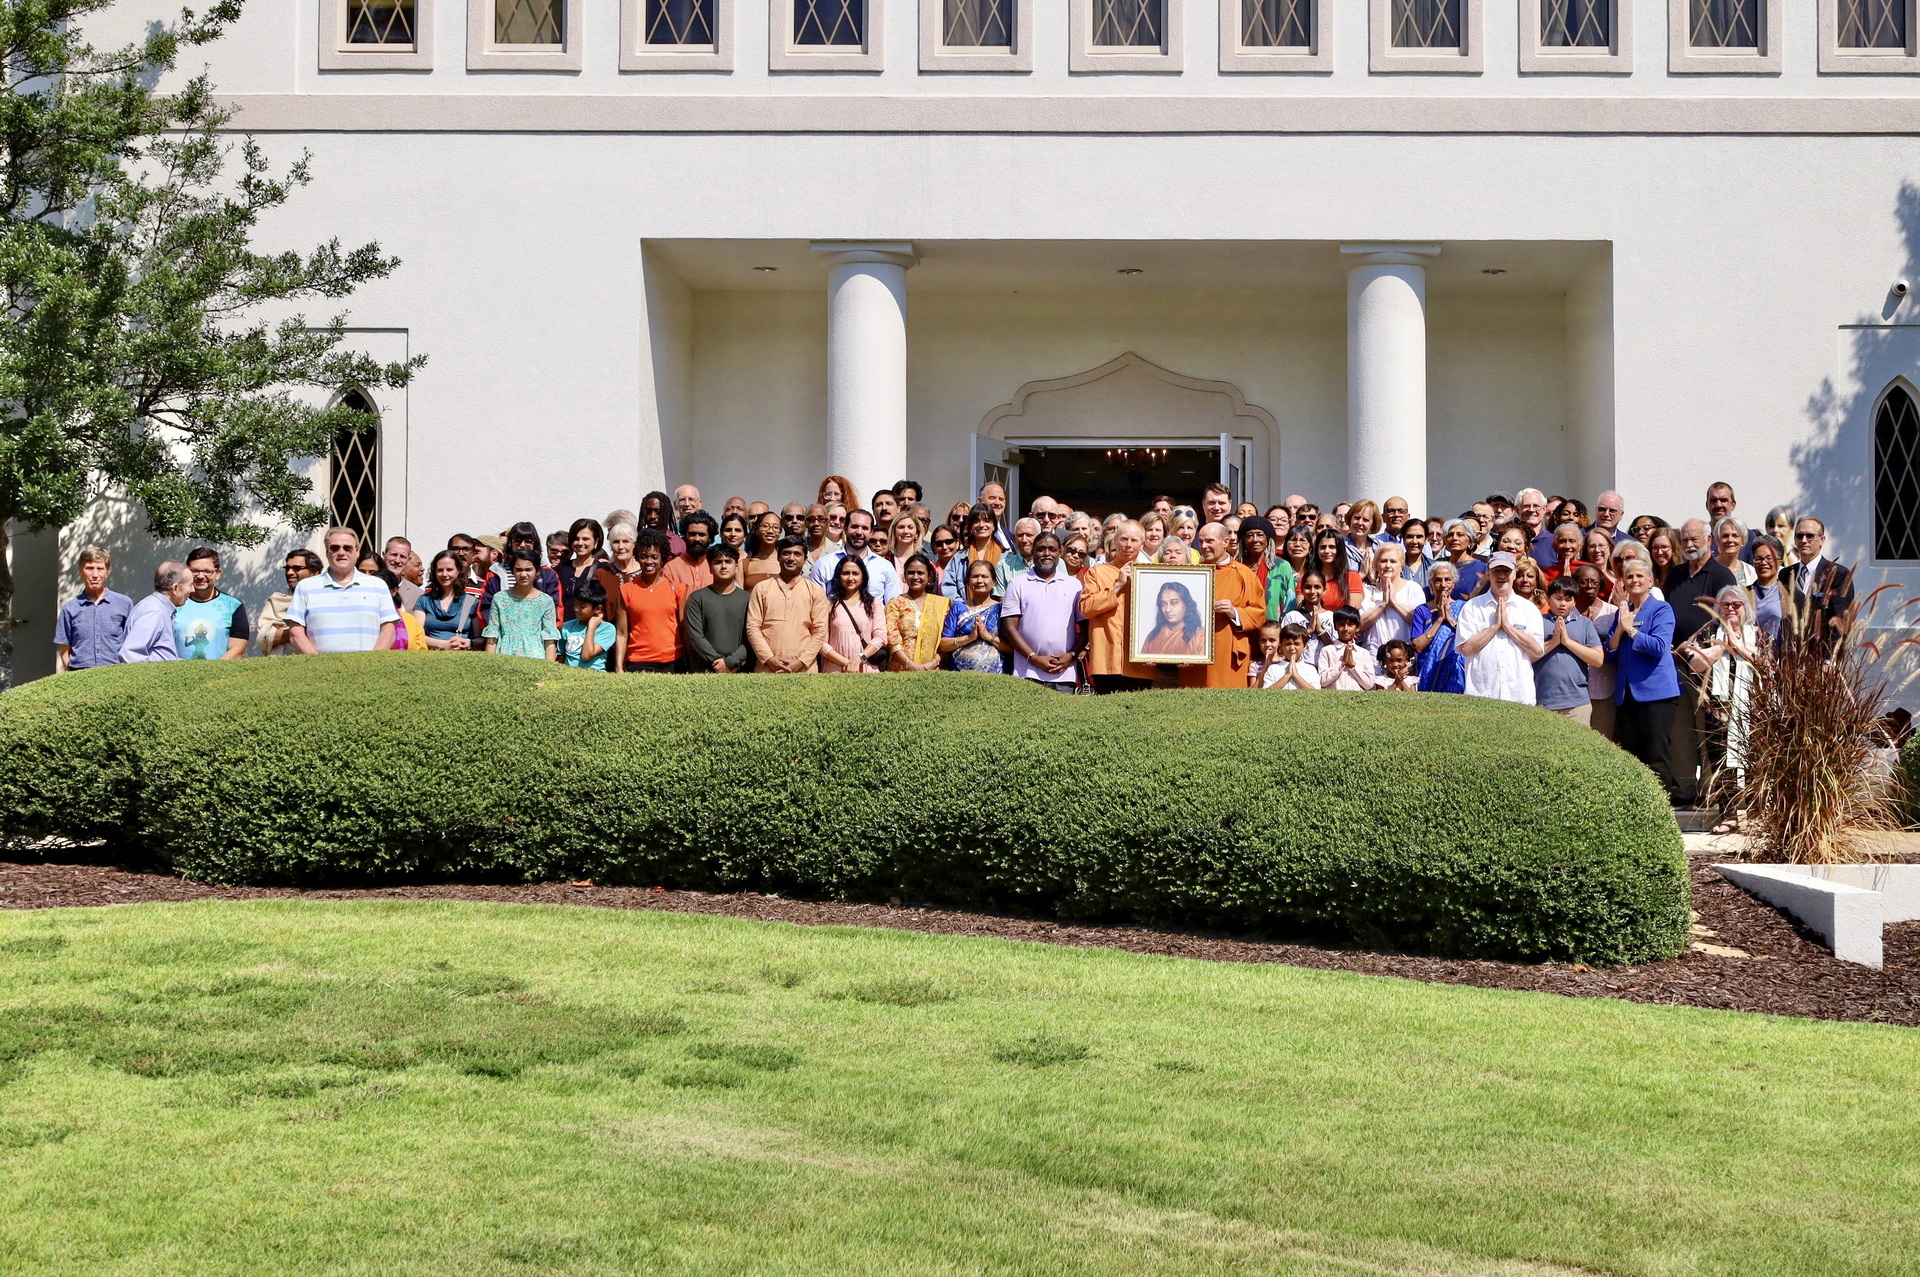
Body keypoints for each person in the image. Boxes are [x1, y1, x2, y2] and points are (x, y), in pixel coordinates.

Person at [1664, 518, 1738, 804]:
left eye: (1695, 538)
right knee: (1680, 728)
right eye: (1684, 539)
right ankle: (1684, 790)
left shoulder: (1721, 575)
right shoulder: (1675, 575)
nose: (1689, 544)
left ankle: (1710, 792)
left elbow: (1726, 617)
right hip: (1676, 662)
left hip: (1709, 663)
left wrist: (1696, 644)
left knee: (1709, 727)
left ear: (1709, 540)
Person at [1682, 586, 1759, 827]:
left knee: (1755, 760)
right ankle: (1729, 816)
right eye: (1725, 605)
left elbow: (1766, 662)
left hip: (1753, 710)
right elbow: (1694, 664)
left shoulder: (1757, 632)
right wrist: (1721, 647)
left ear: (1746, 608)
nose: (1731, 609)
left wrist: (1738, 645)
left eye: (1737, 604)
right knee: (1721, 762)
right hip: (1718, 709)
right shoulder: (1709, 632)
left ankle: (1757, 816)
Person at [1606, 557, 1682, 800]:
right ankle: (1638, 807)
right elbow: (1610, 652)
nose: (1634, 580)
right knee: (1632, 756)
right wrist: (1621, 627)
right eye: (1629, 576)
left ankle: (1661, 808)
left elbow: (1659, 647)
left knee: (1656, 756)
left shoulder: (1661, 609)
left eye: (1640, 575)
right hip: (1627, 694)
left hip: (1656, 694)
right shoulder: (1623, 612)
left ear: (1651, 581)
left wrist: (1631, 630)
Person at [1178, 523, 1263, 688]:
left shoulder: (1244, 574)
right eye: (1201, 541)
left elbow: (1259, 613)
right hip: (1195, 648)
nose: (1204, 546)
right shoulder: (1192, 573)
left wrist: (1234, 612)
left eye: (1209, 541)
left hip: (1227, 649)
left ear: (1225, 542)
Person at [1454, 552, 1546, 704]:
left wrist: (1508, 627)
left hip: (1519, 696)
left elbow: (1537, 649)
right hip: (1481, 695)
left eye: (1506, 571)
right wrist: (1494, 627)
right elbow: (1465, 648)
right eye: (1497, 571)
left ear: (1514, 574)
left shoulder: (1529, 609)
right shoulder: (1472, 607)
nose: (1502, 576)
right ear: (1488, 574)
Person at [288, 529, 398, 654]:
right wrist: (317, 662)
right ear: (327, 552)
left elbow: (388, 630)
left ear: (357, 552)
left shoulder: (378, 586)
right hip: (320, 665)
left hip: (368, 665)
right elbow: (295, 632)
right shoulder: (305, 587)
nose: (341, 553)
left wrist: (373, 661)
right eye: (334, 548)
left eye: (347, 548)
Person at [1000, 532, 1083, 690]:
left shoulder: (1074, 585)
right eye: (1041, 549)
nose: (1046, 554)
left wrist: (1071, 656)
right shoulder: (1017, 584)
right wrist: (1033, 658)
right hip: (1027, 672)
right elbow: (1010, 628)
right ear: (1032, 552)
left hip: (1064, 673)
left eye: (1052, 549)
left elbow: (1085, 628)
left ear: (1060, 552)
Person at [1078, 520, 1152, 693]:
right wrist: (1117, 585)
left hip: (1140, 662)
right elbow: (1086, 608)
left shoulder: (1151, 575)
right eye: (1124, 539)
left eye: (1134, 540)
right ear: (1115, 541)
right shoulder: (1097, 573)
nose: (1128, 545)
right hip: (1106, 662)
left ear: (1142, 544)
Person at [748, 536, 829, 674]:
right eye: (786, 553)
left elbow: (820, 631)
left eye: (797, 554)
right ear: (778, 557)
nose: (791, 558)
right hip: (767, 669)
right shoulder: (761, 588)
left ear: (805, 559)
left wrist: (801, 662)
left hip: (805, 670)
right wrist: (769, 659)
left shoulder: (815, 591)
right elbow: (753, 627)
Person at [1532, 577, 1605, 723]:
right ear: (1548, 598)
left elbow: (1598, 659)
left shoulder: (1584, 623)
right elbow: (1527, 657)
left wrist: (1567, 641)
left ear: (1574, 601)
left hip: (1577, 703)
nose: (1563, 604)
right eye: (1558, 598)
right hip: (1543, 701)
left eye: (1568, 599)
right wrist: (1554, 641)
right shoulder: (1536, 621)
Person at [53, 547, 133, 672]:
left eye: (100, 569)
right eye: (89, 568)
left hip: (116, 672)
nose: (95, 575)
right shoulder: (69, 608)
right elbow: (65, 649)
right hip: (80, 673)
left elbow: (132, 642)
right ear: (80, 570)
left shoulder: (124, 604)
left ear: (108, 571)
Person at [617, 531, 686, 673]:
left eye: (654, 557)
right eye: (644, 557)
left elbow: (684, 629)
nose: (649, 562)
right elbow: (622, 633)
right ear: (637, 558)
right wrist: (618, 667)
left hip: (672, 662)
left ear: (662, 558)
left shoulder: (678, 589)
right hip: (638, 662)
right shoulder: (626, 590)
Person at [1781, 516, 1855, 649]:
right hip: (1790, 653)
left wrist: (1830, 657)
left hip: (1821, 653)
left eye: (1810, 536)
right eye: (1799, 536)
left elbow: (1841, 622)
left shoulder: (1838, 575)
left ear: (1822, 540)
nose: (1804, 540)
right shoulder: (1785, 574)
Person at [682, 542, 754, 673]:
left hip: (739, 670)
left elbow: (752, 636)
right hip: (705, 670)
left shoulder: (748, 599)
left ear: (736, 567)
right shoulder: (697, 599)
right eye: (718, 562)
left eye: (728, 561)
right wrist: (717, 662)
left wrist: (731, 662)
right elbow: (695, 636)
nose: (723, 566)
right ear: (710, 567)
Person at [173, 547, 251, 661]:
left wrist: (215, 669)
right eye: (194, 571)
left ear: (218, 573)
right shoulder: (174, 604)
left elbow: (237, 649)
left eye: (207, 571)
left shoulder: (232, 606)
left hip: (221, 671)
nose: (200, 576)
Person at [481, 550, 560, 660]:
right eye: (518, 570)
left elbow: (550, 640)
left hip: (536, 659)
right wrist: (490, 664)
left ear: (537, 571)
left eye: (528, 570)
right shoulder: (500, 598)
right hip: (504, 657)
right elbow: (492, 637)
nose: (523, 574)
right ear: (512, 571)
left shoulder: (545, 601)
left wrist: (548, 667)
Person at [810, 509, 903, 603]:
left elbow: (893, 606)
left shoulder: (885, 567)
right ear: (845, 528)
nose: (859, 532)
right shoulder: (824, 564)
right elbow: (816, 605)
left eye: (864, 528)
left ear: (871, 532)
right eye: (854, 526)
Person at [885, 553, 953, 672]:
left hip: (933, 670)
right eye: (911, 573)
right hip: (901, 670)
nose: (915, 577)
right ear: (905, 576)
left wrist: (933, 663)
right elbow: (892, 639)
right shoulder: (895, 603)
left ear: (929, 576)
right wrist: (910, 664)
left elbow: (946, 639)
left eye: (920, 573)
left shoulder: (942, 604)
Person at [819, 554, 886, 673]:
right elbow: (821, 642)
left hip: (866, 668)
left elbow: (880, 637)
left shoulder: (873, 603)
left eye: (855, 573)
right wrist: (847, 663)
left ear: (863, 577)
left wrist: (859, 659)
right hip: (835, 669)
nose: (850, 578)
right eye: (846, 573)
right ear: (839, 576)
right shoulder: (829, 604)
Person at [1573, 564, 1619, 737]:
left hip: (1605, 690)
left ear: (1601, 585)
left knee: (1603, 739)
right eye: (1583, 581)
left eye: (1594, 582)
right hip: (1574, 690)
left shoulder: (1612, 613)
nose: (1589, 586)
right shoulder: (1567, 612)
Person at [1357, 544, 1428, 651]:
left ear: (1401, 565)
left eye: (1393, 561)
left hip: (1404, 655)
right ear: (1376, 565)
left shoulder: (1413, 588)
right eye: (1383, 561)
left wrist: (1394, 602)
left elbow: (1420, 621)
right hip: (1373, 654)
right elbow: (1359, 625)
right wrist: (1383, 605)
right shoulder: (1367, 591)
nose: (1388, 565)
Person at [254, 549, 322, 658]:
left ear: (314, 572)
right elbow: (263, 637)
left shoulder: (325, 599)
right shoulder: (277, 600)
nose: (289, 572)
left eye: (297, 568)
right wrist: (297, 631)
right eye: (287, 568)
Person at [120, 562, 192, 662]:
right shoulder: (154, 611)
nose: (192, 590)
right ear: (176, 588)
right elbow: (129, 655)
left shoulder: (158, 608)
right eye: (190, 585)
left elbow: (162, 656)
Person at [1414, 563, 1465, 694]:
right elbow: (1418, 646)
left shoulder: (1464, 608)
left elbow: (1468, 640)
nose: (1443, 585)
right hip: (1427, 672)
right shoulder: (1422, 610)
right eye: (1438, 580)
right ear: (1431, 584)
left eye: (1447, 580)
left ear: (1454, 584)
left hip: (1454, 670)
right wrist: (1440, 619)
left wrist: (1450, 619)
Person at [413, 550, 478, 650]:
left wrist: (468, 643)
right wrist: (444, 644)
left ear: (458, 571)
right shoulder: (424, 600)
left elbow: (479, 639)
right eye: (440, 570)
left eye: (449, 570)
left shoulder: (471, 602)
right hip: (431, 655)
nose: (444, 574)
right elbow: (416, 634)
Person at [943, 503, 1008, 599]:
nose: (981, 525)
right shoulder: (958, 559)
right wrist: (963, 606)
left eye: (987, 520)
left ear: (994, 525)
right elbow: (949, 589)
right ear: (971, 527)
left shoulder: (1006, 557)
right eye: (976, 521)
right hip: (966, 607)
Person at [557, 578, 617, 671]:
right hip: (569, 676)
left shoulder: (607, 629)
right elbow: (560, 658)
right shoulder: (566, 627)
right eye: (576, 604)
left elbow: (586, 656)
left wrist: (591, 627)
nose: (576, 609)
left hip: (593, 676)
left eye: (582, 606)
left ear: (598, 609)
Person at [1315, 606, 1377, 691]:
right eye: (1341, 624)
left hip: (1357, 697)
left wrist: (1353, 666)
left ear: (1357, 628)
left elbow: (1369, 684)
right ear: (1335, 626)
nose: (1345, 629)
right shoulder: (1327, 651)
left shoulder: (1364, 653)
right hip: (1334, 697)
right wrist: (1342, 663)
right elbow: (1322, 681)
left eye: (1350, 625)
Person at [556, 518, 607, 612]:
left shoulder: (603, 570)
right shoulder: (561, 568)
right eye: (576, 539)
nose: (580, 543)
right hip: (562, 621)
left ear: (596, 542)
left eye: (585, 539)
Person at [664, 511, 717, 593]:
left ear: (710, 538)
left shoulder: (717, 565)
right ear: (685, 536)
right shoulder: (671, 568)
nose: (697, 539)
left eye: (702, 535)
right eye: (692, 534)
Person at [1256, 622, 1319, 689]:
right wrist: (1287, 676)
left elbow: (1315, 692)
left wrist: (1296, 676)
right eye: (1288, 644)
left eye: (1296, 644)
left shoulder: (1310, 669)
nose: (1292, 648)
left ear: (1305, 646)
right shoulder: (1273, 669)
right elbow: (1267, 692)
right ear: (1281, 645)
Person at [1269, 524, 1312, 619]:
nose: (1297, 544)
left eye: (1303, 540)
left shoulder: (1315, 574)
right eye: (1293, 540)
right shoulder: (1276, 571)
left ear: (1310, 548)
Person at [1749, 534, 1785, 643]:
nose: (1763, 563)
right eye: (1758, 559)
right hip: (1747, 651)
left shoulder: (1792, 595)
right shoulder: (1743, 594)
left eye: (1769, 559)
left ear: (1779, 562)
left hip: (1782, 652)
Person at [638, 491, 686, 555]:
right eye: (648, 511)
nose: (652, 516)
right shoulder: (635, 541)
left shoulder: (677, 544)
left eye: (658, 511)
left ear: (667, 513)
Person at [1713, 517, 1756, 587]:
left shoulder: (1750, 572)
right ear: (1718, 540)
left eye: (1735, 536)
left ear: (1742, 540)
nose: (1730, 540)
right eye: (1725, 536)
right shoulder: (1708, 570)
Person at [383, 537, 424, 609]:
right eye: (394, 555)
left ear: (408, 560)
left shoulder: (418, 595)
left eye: (402, 556)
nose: (397, 560)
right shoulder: (370, 585)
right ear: (384, 555)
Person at [928, 523, 962, 593]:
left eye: (949, 542)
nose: (944, 547)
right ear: (934, 547)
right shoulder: (930, 570)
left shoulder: (965, 567)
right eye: (939, 543)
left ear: (957, 543)